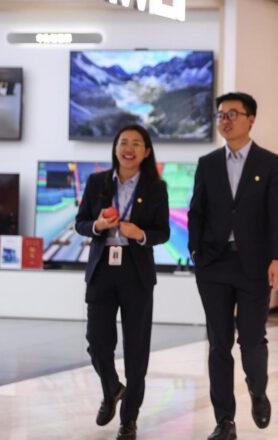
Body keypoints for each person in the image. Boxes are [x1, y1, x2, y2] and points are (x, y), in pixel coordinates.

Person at [189, 92, 278, 440]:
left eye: (233, 113)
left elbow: (277, 216)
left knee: (251, 339)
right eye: (220, 115)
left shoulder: (270, 164)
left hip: (254, 266)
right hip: (214, 265)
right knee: (219, 344)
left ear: (251, 119)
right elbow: (196, 212)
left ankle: (258, 392)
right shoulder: (208, 163)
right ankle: (224, 420)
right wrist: (196, 253)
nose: (225, 120)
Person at [75, 124, 170, 440]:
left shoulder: (157, 188)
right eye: (123, 142)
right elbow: (80, 224)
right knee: (97, 343)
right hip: (102, 272)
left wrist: (139, 234)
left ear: (146, 151)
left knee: (136, 350)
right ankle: (112, 388)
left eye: (137, 143)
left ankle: (129, 420)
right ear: (116, 148)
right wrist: (98, 226)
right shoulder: (96, 182)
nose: (129, 148)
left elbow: (163, 232)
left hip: (136, 274)